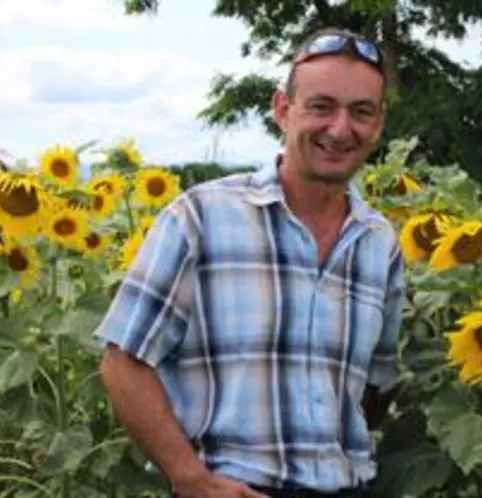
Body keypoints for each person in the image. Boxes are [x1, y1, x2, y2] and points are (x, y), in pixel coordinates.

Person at [94, 27, 406, 498]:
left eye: (361, 112)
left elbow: (374, 386)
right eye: (321, 107)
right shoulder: (201, 217)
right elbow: (123, 361)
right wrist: (189, 477)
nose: (341, 129)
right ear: (283, 109)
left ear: (379, 123)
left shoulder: (379, 242)